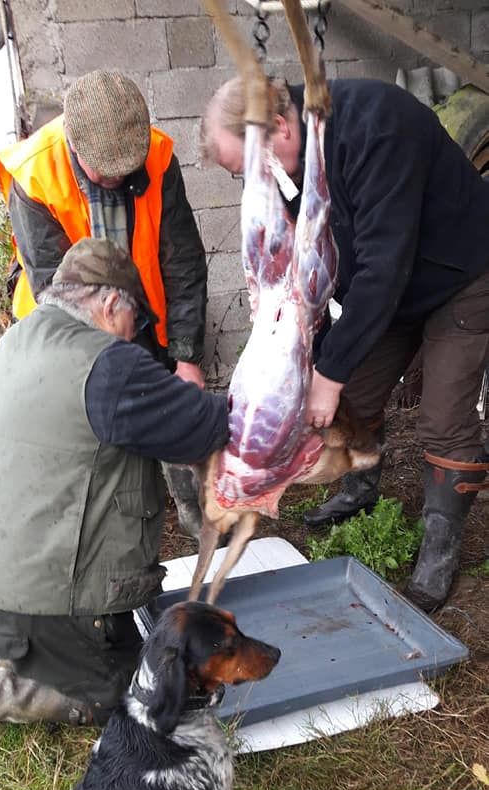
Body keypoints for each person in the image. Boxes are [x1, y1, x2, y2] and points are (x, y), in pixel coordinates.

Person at [201, 75, 489, 611]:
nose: (254, 185)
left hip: (462, 273)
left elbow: (385, 262)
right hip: (389, 289)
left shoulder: (377, 126)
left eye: (250, 167)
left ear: (280, 127)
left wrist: (326, 375)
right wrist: (310, 355)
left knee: (443, 418)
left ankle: (439, 552)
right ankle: (360, 486)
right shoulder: (293, 160)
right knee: (347, 394)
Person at [0, 238, 229, 728]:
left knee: (41, 649)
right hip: (52, 603)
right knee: (138, 693)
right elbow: (207, 428)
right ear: (109, 304)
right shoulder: (107, 366)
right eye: (136, 321)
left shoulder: (19, 340)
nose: (134, 335)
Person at [0, 68, 206, 537]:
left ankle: (198, 519)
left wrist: (186, 357)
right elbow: (59, 293)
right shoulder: (34, 176)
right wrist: (108, 377)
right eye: (103, 170)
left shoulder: (155, 155)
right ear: (74, 145)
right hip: (64, 326)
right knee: (91, 441)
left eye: (125, 170)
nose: (116, 178)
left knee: (175, 413)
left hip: (140, 312)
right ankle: (97, 538)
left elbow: (183, 261)